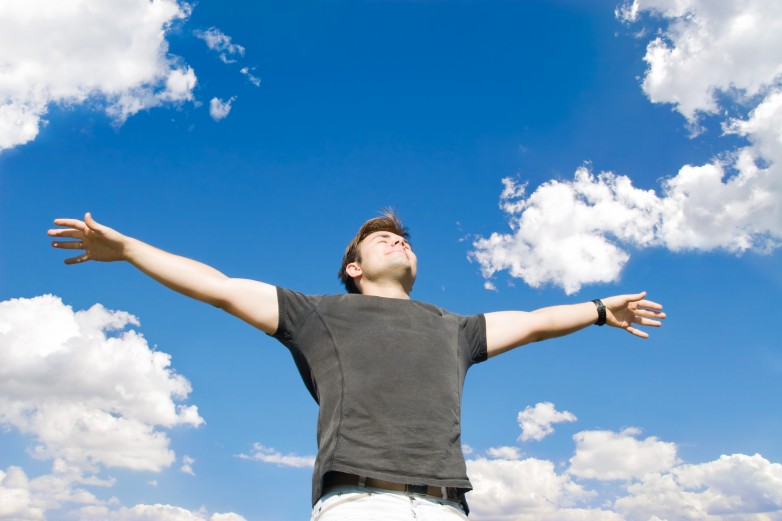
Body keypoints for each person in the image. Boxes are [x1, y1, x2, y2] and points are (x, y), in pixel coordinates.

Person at [49, 211, 665, 521]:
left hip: (448, 506)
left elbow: (532, 320)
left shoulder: (454, 330)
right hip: (362, 504)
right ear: (353, 268)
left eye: (403, 238)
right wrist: (128, 249)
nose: (397, 240)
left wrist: (596, 309)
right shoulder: (318, 315)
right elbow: (218, 285)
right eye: (379, 239)